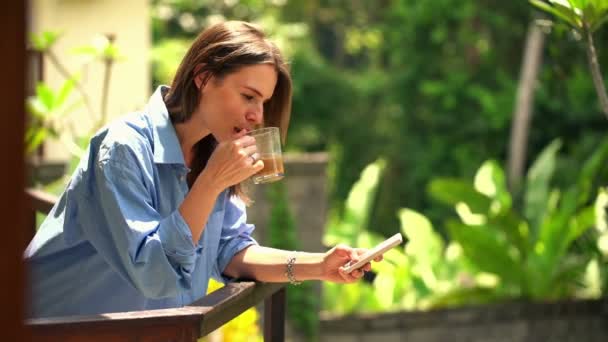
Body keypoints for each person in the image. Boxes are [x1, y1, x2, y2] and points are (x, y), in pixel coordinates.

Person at [25, 21, 382, 318]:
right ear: (204, 77)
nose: (258, 115)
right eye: (248, 96)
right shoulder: (122, 148)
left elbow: (230, 251)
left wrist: (320, 265)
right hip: (43, 328)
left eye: (263, 102)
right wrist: (210, 183)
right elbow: (153, 274)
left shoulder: (210, 152)